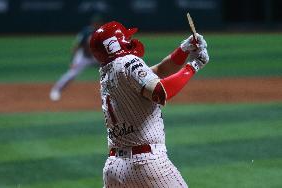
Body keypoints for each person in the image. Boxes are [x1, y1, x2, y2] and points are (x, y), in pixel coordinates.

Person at [90, 21, 209, 188]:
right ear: (114, 44)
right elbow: (160, 92)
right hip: (146, 164)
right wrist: (193, 65)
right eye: (125, 36)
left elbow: (159, 70)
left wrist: (183, 50)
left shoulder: (108, 72)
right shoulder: (127, 62)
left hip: (114, 168)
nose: (129, 39)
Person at [49, 15, 104, 101]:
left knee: (109, 70)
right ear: (92, 23)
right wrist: (72, 61)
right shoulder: (86, 32)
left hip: (95, 57)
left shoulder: (102, 32)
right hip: (83, 57)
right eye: (95, 23)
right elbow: (76, 46)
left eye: (98, 23)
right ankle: (56, 90)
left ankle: (113, 92)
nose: (96, 24)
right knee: (72, 73)